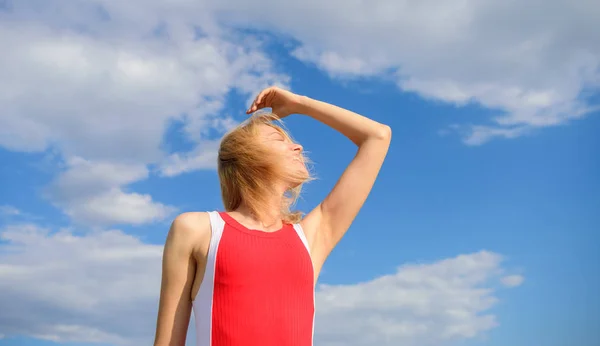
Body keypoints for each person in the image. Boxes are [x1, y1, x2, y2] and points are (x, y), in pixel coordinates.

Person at [153, 86, 392, 346]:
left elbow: (377, 136)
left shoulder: (310, 238)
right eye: (280, 141)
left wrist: (300, 103)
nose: (298, 147)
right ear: (246, 158)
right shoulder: (197, 230)